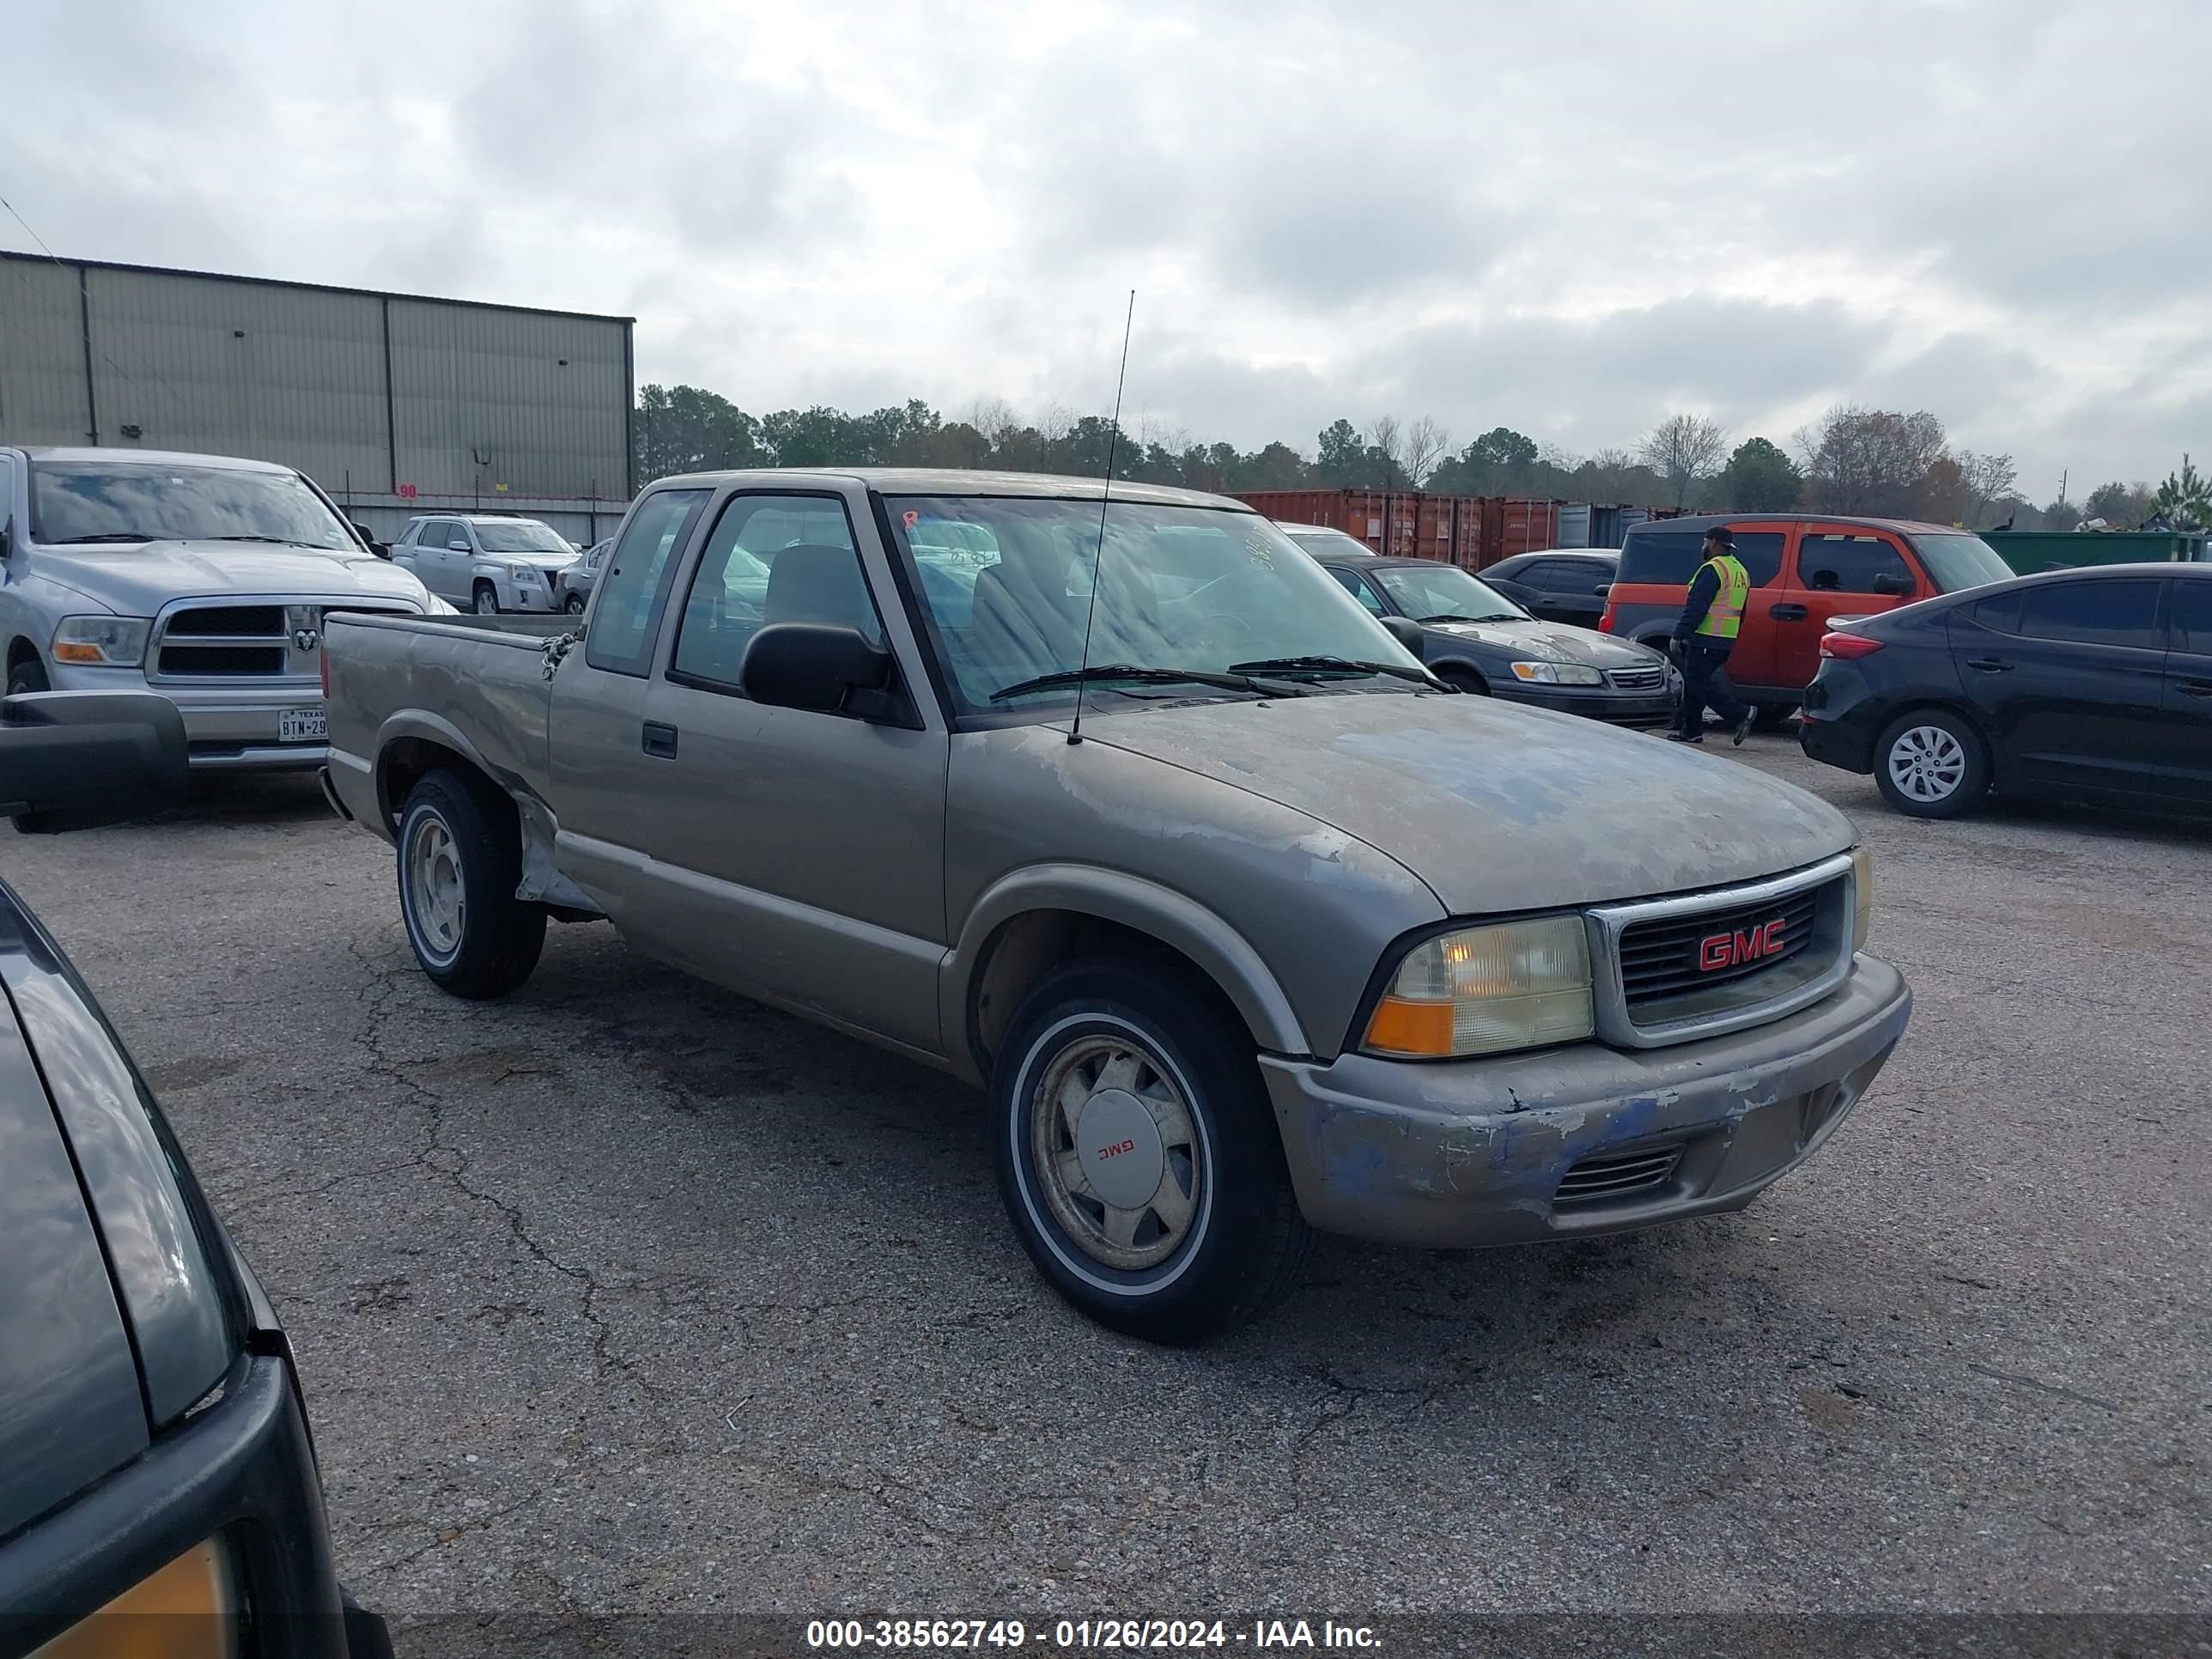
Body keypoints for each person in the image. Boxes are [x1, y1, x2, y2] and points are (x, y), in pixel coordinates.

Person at [1668, 526, 1756, 745]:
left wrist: (1680, 634)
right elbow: (1742, 610)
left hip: (1706, 635)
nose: (1703, 546)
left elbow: (1697, 606)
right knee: (1695, 681)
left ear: (1714, 543)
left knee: (1697, 682)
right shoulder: (1740, 570)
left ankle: (1740, 713)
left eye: (1705, 542)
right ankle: (1691, 730)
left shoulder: (1713, 569)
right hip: (1724, 638)